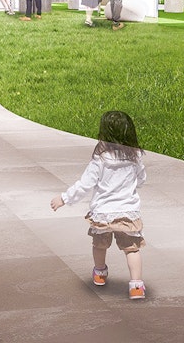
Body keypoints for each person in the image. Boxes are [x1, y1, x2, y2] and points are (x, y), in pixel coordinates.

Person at [51, 110, 148, 300]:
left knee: (99, 245)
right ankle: (136, 286)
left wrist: (64, 198)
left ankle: (100, 273)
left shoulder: (100, 159)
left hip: (103, 212)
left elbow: (85, 184)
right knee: (132, 249)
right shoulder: (135, 157)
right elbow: (142, 180)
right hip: (127, 212)